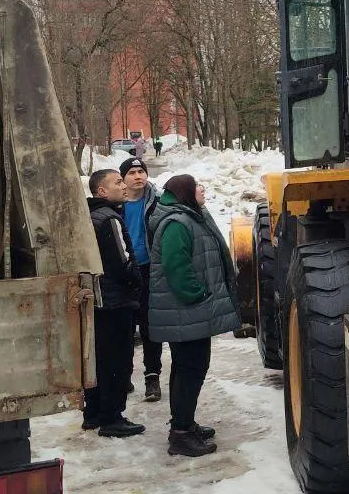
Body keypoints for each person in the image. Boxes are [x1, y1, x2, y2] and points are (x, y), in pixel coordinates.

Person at [147, 174, 238, 458]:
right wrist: (198, 295)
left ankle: (184, 424)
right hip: (186, 311)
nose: (202, 188)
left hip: (188, 313)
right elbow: (177, 268)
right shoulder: (177, 223)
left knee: (187, 369)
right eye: (196, 185)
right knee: (190, 370)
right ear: (185, 192)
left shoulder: (189, 216)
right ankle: (181, 435)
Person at [83, 169, 145, 438]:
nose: (124, 186)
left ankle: (93, 413)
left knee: (97, 359)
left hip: (97, 302)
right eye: (118, 182)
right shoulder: (110, 219)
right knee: (117, 361)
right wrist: (136, 282)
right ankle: (112, 418)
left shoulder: (88, 216)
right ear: (102, 192)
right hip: (115, 302)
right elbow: (122, 262)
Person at [120, 157, 163, 402]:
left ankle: (152, 376)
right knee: (125, 327)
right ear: (123, 178)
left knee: (149, 327)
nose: (138, 176)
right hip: (124, 272)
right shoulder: (116, 204)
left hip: (148, 269)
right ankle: (124, 375)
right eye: (132, 173)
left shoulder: (156, 202)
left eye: (141, 171)